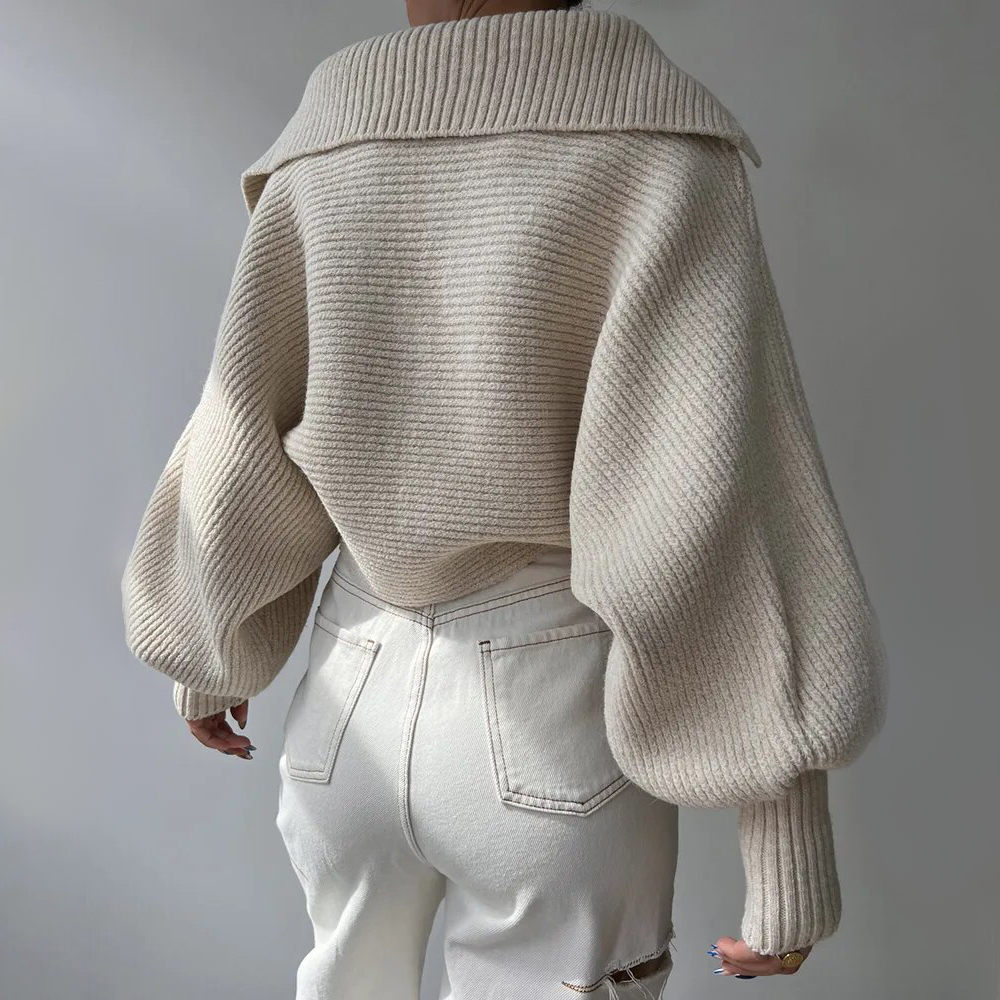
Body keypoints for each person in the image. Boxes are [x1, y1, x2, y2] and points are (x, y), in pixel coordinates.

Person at [121, 1, 889, 996]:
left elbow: (240, 430)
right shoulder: (658, 151)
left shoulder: (324, 147)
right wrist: (785, 842)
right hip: (551, 724)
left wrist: (208, 652)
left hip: (346, 711)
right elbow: (721, 502)